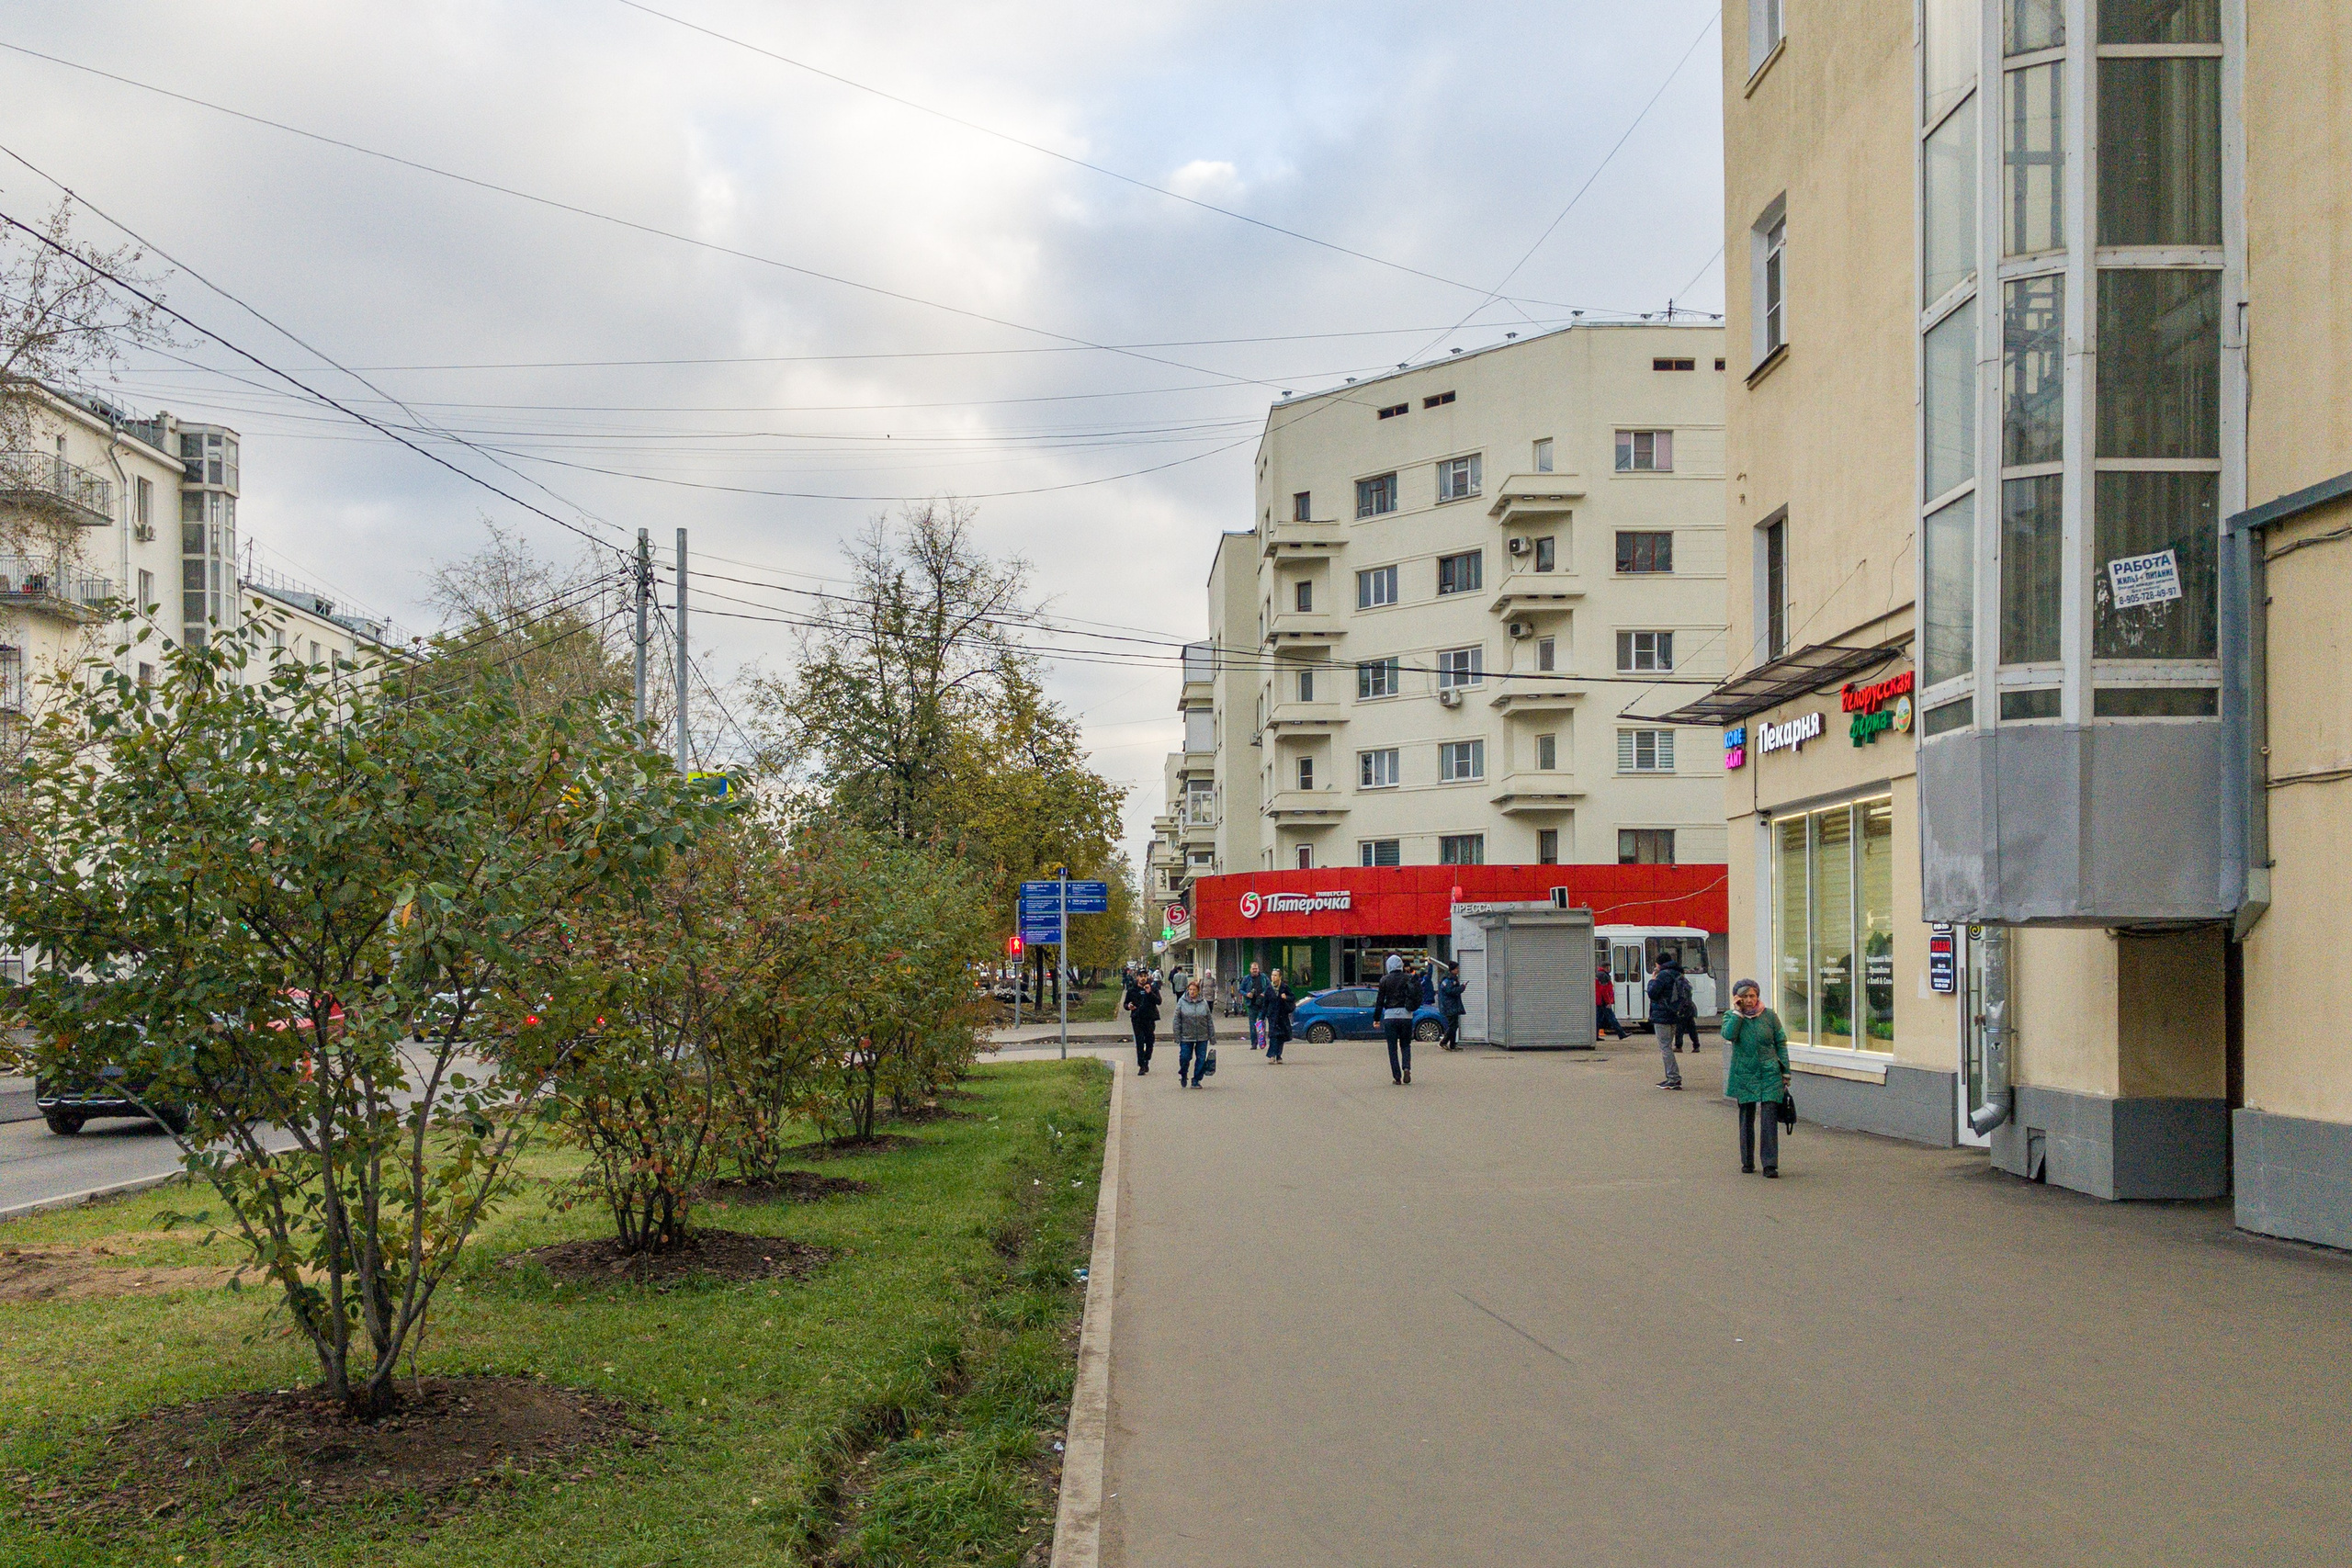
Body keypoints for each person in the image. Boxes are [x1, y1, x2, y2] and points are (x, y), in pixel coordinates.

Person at [1722, 979, 1792, 1176]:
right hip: (1745, 1073)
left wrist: (1785, 1071)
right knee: (1746, 1118)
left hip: (1770, 1072)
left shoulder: (1769, 1016)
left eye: (1752, 995)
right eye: (1744, 996)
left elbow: (1781, 1042)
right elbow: (1728, 1035)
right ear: (1737, 998)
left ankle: (1770, 1164)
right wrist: (1737, 1014)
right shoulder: (1731, 1016)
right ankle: (1747, 1161)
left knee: (1769, 1118)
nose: (1749, 1000)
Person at [1647, 953, 1691, 1089]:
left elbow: (1652, 993)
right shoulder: (1678, 973)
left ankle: (1673, 1078)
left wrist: (1652, 980)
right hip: (1675, 1014)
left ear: (1659, 964)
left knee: (1665, 1047)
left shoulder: (1663, 975)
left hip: (1662, 1015)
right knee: (1668, 1045)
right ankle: (1671, 1077)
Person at [1375, 953, 1419, 1085]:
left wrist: (1376, 1018)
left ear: (1388, 965)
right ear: (1400, 965)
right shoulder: (1408, 978)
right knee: (1406, 1045)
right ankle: (1406, 1068)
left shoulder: (1384, 980)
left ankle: (1397, 1077)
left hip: (1390, 1016)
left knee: (1392, 1047)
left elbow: (1379, 1001)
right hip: (1406, 1015)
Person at [1172, 977, 1216, 1088]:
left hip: (1202, 1035)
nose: (1192, 992)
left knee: (1201, 1059)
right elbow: (1176, 1020)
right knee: (1185, 1057)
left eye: (1194, 990)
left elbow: (1209, 1020)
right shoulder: (1182, 1002)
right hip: (1186, 1036)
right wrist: (1177, 1035)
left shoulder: (1204, 1002)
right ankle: (1183, 1073)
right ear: (1188, 990)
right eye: (1190, 989)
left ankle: (1196, 1079)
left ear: (1198, 991)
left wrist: (1212, 1036)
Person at [1124, 969, 1161, 1075]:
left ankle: (1147, 1059)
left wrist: (1150, 993)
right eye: (1141, 976)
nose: (1143, 978)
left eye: (1145, 976)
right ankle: (1141, 1065)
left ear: (1147, 977)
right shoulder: (1132, 990)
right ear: (1137, 977)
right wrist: (1128, 1006)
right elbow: (1126, 1004)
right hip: (1137, 1018)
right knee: (1140, 1042)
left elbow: (1159, 1001)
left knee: (1150, 1041)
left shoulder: (1153, 988)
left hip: (1149, 1018)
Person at [1265, 968, 1295, 1063]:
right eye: (1272, 975)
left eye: (1275, 975)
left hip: (1282, 1015)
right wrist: (1261, 1017)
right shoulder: (1269, 988)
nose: (1273, 977)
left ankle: (1278, 1056)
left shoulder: (1284, 987)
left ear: (1280, 977)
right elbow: (1265, 1004)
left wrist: (1286, 997)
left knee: (1281, 1036)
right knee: (1273, 1036)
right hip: (1273, 1016)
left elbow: (1293, 997)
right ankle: (1271, 1056)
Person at [1240, 962, 1270, 1051]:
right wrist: (1247, 994)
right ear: (1250, 970)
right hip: (1251, 1005)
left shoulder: (1263, 977)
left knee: (1261, 1024)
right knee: (1252, 1025)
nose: (1255, 971)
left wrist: (1264, 994)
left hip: (1262, 1004)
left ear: (1258, 969)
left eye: (1256, 969)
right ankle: (1254, 1044)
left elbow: (1269, 987)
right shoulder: (1246, 979)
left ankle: (1262, 1043)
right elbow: (1240, 989)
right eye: (1253, 969)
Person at [1436, 962, 1465, 1050]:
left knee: (1454, 1025)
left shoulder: (1452, 979)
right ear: (1452, 969)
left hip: (1452, 1005)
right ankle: (1443, 1042)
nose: (1458, 970)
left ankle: (1453, 1044)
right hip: (1449, 1006)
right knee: (1453, 1025)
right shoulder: (1447, 980)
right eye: (1457, 968)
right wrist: (1461, 988)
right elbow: (1450, 991)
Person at [1595, 966, 1628, 1040]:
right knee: (1612, 1018)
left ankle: (1595, 1036)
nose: (1609, 969)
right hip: (1604, 1001)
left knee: (1598, 1019)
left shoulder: (1598, 974)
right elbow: (1605, 990)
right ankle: (1621, 1034)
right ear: (1606, 967)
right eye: (1609, 967)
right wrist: (1608, 1002)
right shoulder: (1604, 976)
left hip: (1599, 1000)